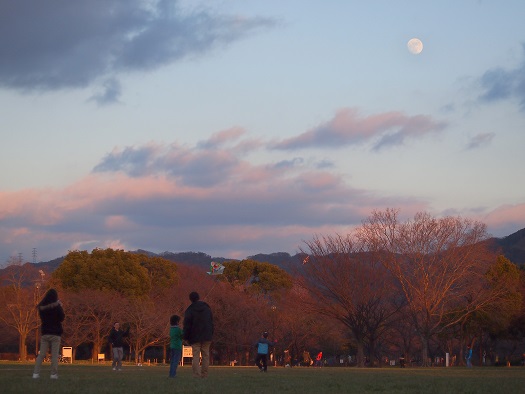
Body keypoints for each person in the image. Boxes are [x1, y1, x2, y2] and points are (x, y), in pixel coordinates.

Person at [32, 288, 65, 379]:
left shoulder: (41, 308)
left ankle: (36, 373)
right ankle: (53, 374)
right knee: (54, 355)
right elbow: (62, 318)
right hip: (55, 333)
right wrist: (60, 306)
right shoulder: (57, 307)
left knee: (41, 354)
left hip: (45, 333)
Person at [183, 291, 214, 378]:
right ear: (198, 297)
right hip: (207, 335)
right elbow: (211, 322)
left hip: (194, 336)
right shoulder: (206, 307)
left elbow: (187, 325)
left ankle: (196, 374)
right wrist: (211, 333)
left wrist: (186, 337)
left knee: (196, 356)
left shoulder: (189, 310)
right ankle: (204, 374)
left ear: (190, 299)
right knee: (205, 356)